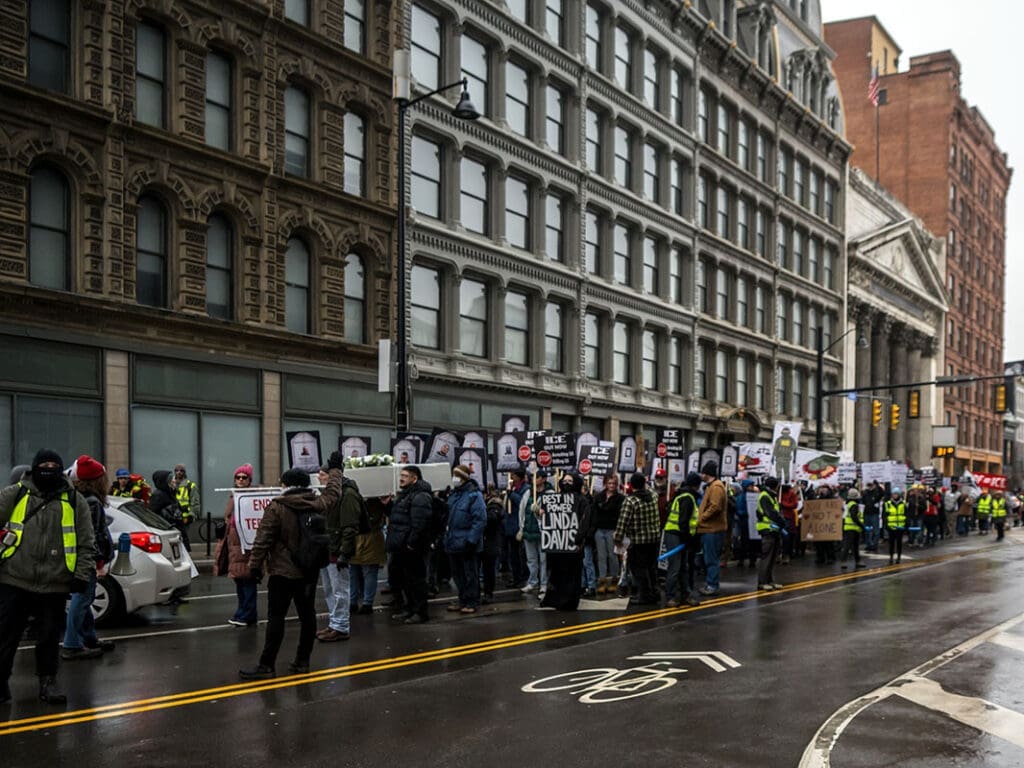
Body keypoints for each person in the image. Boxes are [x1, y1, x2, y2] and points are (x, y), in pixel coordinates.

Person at [0, 450, 96, 705]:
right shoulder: (15, 494)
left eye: (54, 465)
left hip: (55, 581)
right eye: (44, 464)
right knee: (6, 635)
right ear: (34, 468)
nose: (49, 468)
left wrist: (80, 575)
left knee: (49, 638)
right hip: (15, 578)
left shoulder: (75, 501)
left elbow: (86, 543)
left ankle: (48, 682)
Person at [239, 455, 343, 680]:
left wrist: (254, 567)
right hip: (309, 569)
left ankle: (267, 665)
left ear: (285, 485)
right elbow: (334, 492)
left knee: (276, 618)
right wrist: (335, 469)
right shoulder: (318, 502)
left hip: (282, 572)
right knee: (308, 615)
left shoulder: (277, 506)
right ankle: (302, 662)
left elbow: (263, 539)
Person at [62, 455, 115, 659]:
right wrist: (98, 562)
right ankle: (72, 644)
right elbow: (92, 535)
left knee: (84, 599)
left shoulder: (78, 497)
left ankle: (89, 638)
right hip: (86, 560)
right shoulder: (91, 502)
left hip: (78, 558)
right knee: (81, 600)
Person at [316, 462, 363, 642]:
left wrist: (345, 552)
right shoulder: (329, 495)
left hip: (337, 550)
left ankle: (341, 626)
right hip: (328, 548)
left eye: (322, 474)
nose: (319, 478)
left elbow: (350, 527)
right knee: (329, 589)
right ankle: (334, 623)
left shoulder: (347, 494)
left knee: (340, 590)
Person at [386, 465, 434, 625]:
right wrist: (387, 506)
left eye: (405, 476)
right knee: (405, 580)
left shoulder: (420, 497)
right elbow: (400, 517)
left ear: (414, 479)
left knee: (416, 581)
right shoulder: (406, 495)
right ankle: (409, 608)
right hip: (402, 546)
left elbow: (420, 523)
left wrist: (411, 543)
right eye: (401, 475)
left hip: (412, 547)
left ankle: (420, 612)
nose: (401, 478)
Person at [214, 464, 259, 627]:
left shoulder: (249, 497)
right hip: (234, 546)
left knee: (247, 580)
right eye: (238, 477)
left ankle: (247, 614)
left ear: (249, 480)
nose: (240, 480)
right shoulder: (234, 496)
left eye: (244, 477)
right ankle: (242, 611)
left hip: (245, 546)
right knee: (240, 582)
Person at [540, 472, 591, 611]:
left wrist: (577, 540)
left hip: (573, 546)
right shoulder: (554, 499)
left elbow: (585, 522)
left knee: (572, 575)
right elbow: (547, 517)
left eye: (570, 481)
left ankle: (569, 601)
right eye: (565, 481)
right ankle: (554, 599)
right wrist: (541, 513)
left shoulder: (582, 500)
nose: (567, 483)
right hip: (557, 546)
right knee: (557, 574)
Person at [613, 472, 660, 607]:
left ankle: (644, 595)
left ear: (631, 485)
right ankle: (654, 592)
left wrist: (617, 539)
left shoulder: (631, 501)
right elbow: (650, 489)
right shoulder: (653, 496)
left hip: (638, 541)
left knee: (639, 569)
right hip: (654, 539)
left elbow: (623, 522)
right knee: (651, 567)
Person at [444, 464, 486, 615]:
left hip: (467, 542)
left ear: (463, 478)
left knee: (470, 574)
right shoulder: (454, 495)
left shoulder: (474, 495)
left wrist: (472, 540)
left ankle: (471, 601)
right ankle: (462, 599)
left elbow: (480, 520)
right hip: (453, 541)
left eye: (457, 476)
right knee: (458, 574)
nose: (454, 479)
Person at [664, 472, 702, 607]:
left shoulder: (682, 495)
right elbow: (684, 521)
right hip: (677, 535)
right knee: (675, 567)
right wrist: (689, 539)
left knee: (683, 567)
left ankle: (685, 594)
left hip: (677, 535)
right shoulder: (687, 498)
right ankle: (671, 596)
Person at [350, 494, 388, 615]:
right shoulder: (376, 500)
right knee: (367, 573)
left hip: (359, 538)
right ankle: (365, 603)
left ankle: (357, 602)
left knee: (356, 573)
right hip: (370, 538)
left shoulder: (352, 497)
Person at [519, 470, 554, 597]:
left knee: (544, 560)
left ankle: (544, 584)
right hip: (529, 531)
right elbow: (522, 511)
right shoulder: (528, 492)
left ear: (544, 479)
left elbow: (553, 512)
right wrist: (521, 528)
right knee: (531, 559)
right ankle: (532, 581)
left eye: (537, 477)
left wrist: (540, 511)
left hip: (543, 532)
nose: (534, 479)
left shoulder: (550, 494)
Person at [696, 462, 728, 596]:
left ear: (706, 474)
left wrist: (701, 518)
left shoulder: (716, 487)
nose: (701, 475)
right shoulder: (713, 486)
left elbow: (715, 507)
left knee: (711, 559)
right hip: (709, 529)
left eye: (702, 472)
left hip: (712, 529)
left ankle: (712, 585)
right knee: (709, 558)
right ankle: (711, 583)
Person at [591, 472, 623, 594]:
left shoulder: (620, 498)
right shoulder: (599, 496)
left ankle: (614, 579)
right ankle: (602, 580)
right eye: (609, 483)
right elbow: (594, 512)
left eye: (614, 483)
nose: (611, 485)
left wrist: (618, 531)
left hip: (612, 530)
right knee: (601, 556)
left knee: (612, 555)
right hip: (599, 529)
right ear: (605, 483)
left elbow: (620, 515)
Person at [755, 477, 787, 590]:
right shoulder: (765, 496)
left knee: (772, 557)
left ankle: (769, 581)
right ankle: (762, 582)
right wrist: (782, 521)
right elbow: (771, 513)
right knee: (767, 557)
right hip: (767, 529)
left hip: (774, 529)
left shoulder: (770, 496)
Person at [502, 469, 529, 588]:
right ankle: (516, 576)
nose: (511, 477)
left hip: (519, 525)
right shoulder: (512, 488)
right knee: (513, 555)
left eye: (513, 475)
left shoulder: (526, 489)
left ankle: (524, 577)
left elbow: (521, 502)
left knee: (521, 554)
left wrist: (511, 494)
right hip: (510, 525)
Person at [481, 484, 504, 604]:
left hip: (490, 540)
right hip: (486, 540)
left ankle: (488, 592)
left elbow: (493, 518)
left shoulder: (494, 505)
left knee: (488, 569)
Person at [839, 488, 867, 569]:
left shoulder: (849, 504)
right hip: (852, 527)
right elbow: (854, 517)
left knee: (853, 546)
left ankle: (857, 561)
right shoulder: (854, 505)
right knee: (849, 546)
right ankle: (844, 561)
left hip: (851, 527)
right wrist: (862, 526)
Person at [885, 487, 907, 565]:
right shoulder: (888, 504)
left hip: (900, 526)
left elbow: (906, 514)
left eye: (896, 494)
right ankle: (891, 556)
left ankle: (898, 557)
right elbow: (885, 516)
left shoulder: (903, 503)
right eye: (894, 494)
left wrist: (906, 526)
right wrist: (886, 525)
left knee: (899, 543)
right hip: (891, 526)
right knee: (891, 543)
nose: (895, 495)